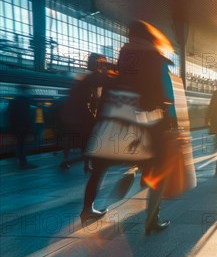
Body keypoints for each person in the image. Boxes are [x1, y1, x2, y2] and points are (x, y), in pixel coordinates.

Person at [81, 20, 175, 235]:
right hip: (144, 125)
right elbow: (158, 95)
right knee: (158, 172)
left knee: (99, 170)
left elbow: (108, 96)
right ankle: (152, 219)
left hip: (114, 124)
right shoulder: (154, 57)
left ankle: (87, 210)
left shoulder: (123, 58)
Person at [59, 53, 108, 172]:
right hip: (81, 116)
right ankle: (86, 164)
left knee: (72, 139)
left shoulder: (82, 79)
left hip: (70, 116)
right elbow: (94, 98)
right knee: (88, 139)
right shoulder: (91, 78)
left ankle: (71, 161)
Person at [7, 85, 34, 169]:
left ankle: (20, 159)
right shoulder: (22, 102)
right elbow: (24, 116)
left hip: (17, 127)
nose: (29, 92)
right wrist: (28, 127)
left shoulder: (16, 100)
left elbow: (11, 115)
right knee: (21, 145)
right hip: (22, 128)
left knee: (20, 144)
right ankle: (22, 161)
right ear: (24, 91)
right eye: (27, 90)